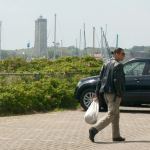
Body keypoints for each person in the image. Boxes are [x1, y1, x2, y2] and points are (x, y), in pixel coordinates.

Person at [89, 48, 126, 142]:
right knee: (111, 114)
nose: (124, 55)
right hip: (114, 93)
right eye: (122, 53)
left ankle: (116, 136)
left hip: (105, 92)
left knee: (116, 114)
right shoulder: (118, 65)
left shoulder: (105, 64)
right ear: (117, 54)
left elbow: (100, 79)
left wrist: (97, 92)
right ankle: (94, 129)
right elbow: (117, 81)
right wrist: (120, 93)